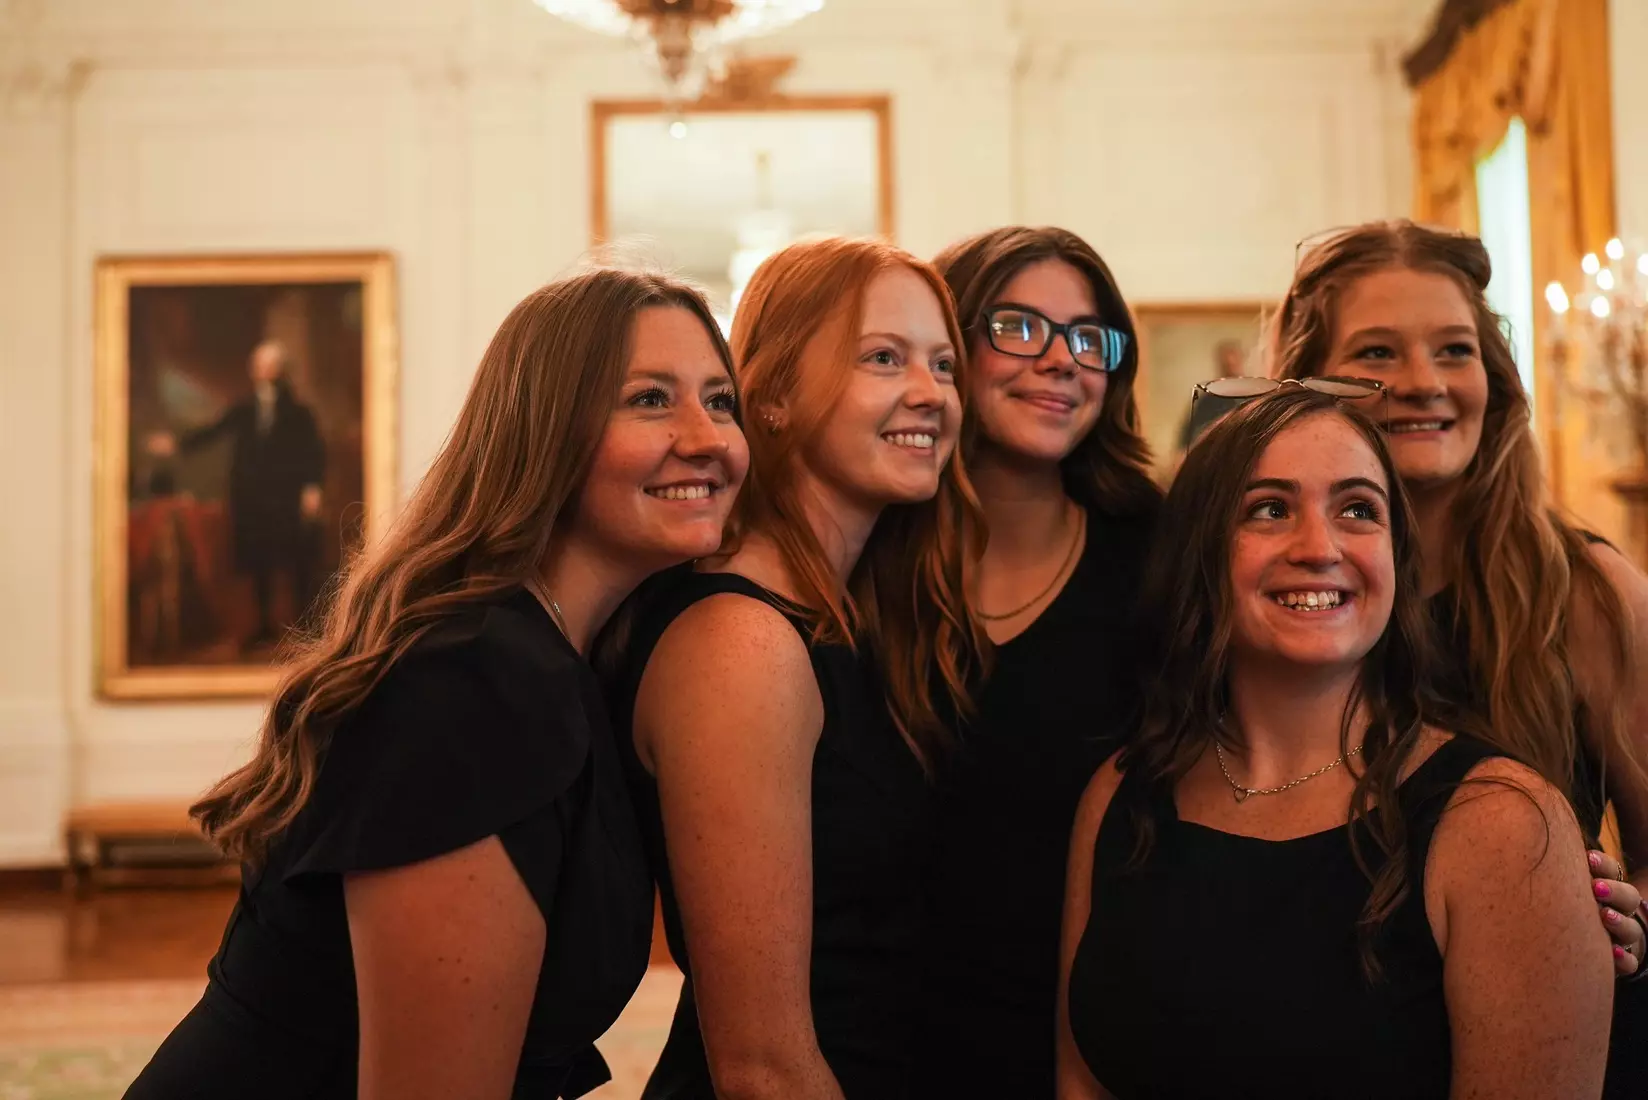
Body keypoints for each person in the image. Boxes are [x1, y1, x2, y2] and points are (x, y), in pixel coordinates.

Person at [123, 267, 749, 1100]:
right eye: (649, 400)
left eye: (720, 401)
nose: (707, 438)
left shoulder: (567, 658)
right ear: (545, 433)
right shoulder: (474, 682)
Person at [1058, 387, 1613, 1099]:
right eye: (1268, 509)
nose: (1319, 547)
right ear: (1198, 551)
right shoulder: (1119, 794)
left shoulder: (1502, 824)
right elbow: (1080, 1082)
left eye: (1358, 509)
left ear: (1395, 557)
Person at [1271, 220, 1648, 1094]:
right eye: (1376, 352)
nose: (1422, 384)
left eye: (1453, 350)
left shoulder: (1586, 591)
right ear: (1305, 382)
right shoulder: (1279, 593)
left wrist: (1637, 916)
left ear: (1493, 375)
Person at [604, 236, 986, 1099]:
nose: (929, 392)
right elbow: (762, 1066)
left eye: (944, 365)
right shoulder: (743, 642)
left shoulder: (848, 618)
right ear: (770, 397)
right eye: (883, 358)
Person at [915, 226, 1159, 1096]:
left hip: (1085, 1045)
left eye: (1089, 338)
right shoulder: (868, 560)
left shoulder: (1159, 562)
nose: (1062, 360)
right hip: (876, 1039)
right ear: (948, 349)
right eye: (1018, 327)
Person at [148, 339, 327, 650]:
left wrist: (312, 489)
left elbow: (313, 452)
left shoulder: (299, 412)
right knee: (257, 562)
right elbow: (214, 431)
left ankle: (303, 629)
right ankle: (263, 628)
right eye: (259, 365)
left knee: (294, 560)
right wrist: (177, 444)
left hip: (285, 497)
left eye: (271, 365)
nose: (264, 371)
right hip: (252, 498)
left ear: (281, 370)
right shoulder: (244, 409)